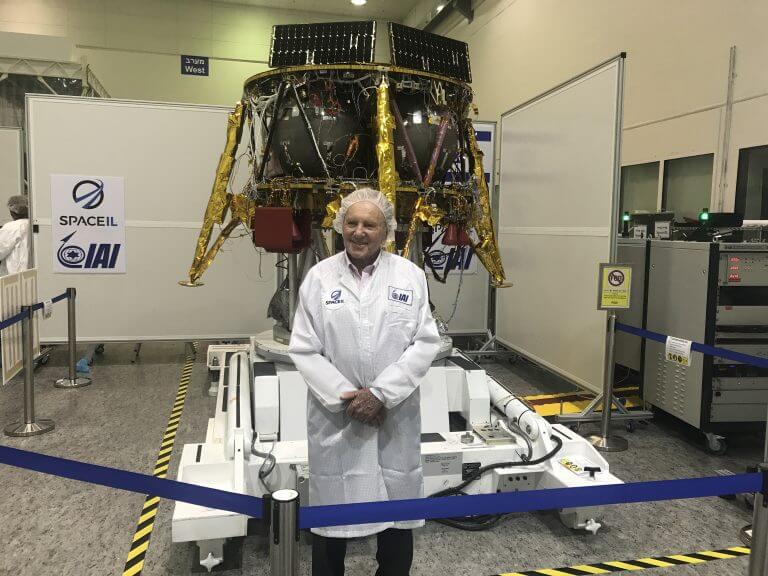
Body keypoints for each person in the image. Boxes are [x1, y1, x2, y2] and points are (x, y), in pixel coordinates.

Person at [288, 188, 441, 576]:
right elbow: (304, 348)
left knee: (396, 513)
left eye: (369, 224)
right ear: (341, 227)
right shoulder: (320, 279)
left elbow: (424, 342)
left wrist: (381, 395)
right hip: (338, 417)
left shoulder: (410, 276)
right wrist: (350, 399)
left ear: (386, 230)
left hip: (393, 414)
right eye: (351, 223)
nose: (359, 231)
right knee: (333, 518)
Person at [0, 195, 30, 276]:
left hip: (14, 276)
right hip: (32, 273)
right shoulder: (32, 224)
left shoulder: (11, 227)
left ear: (12, 211)